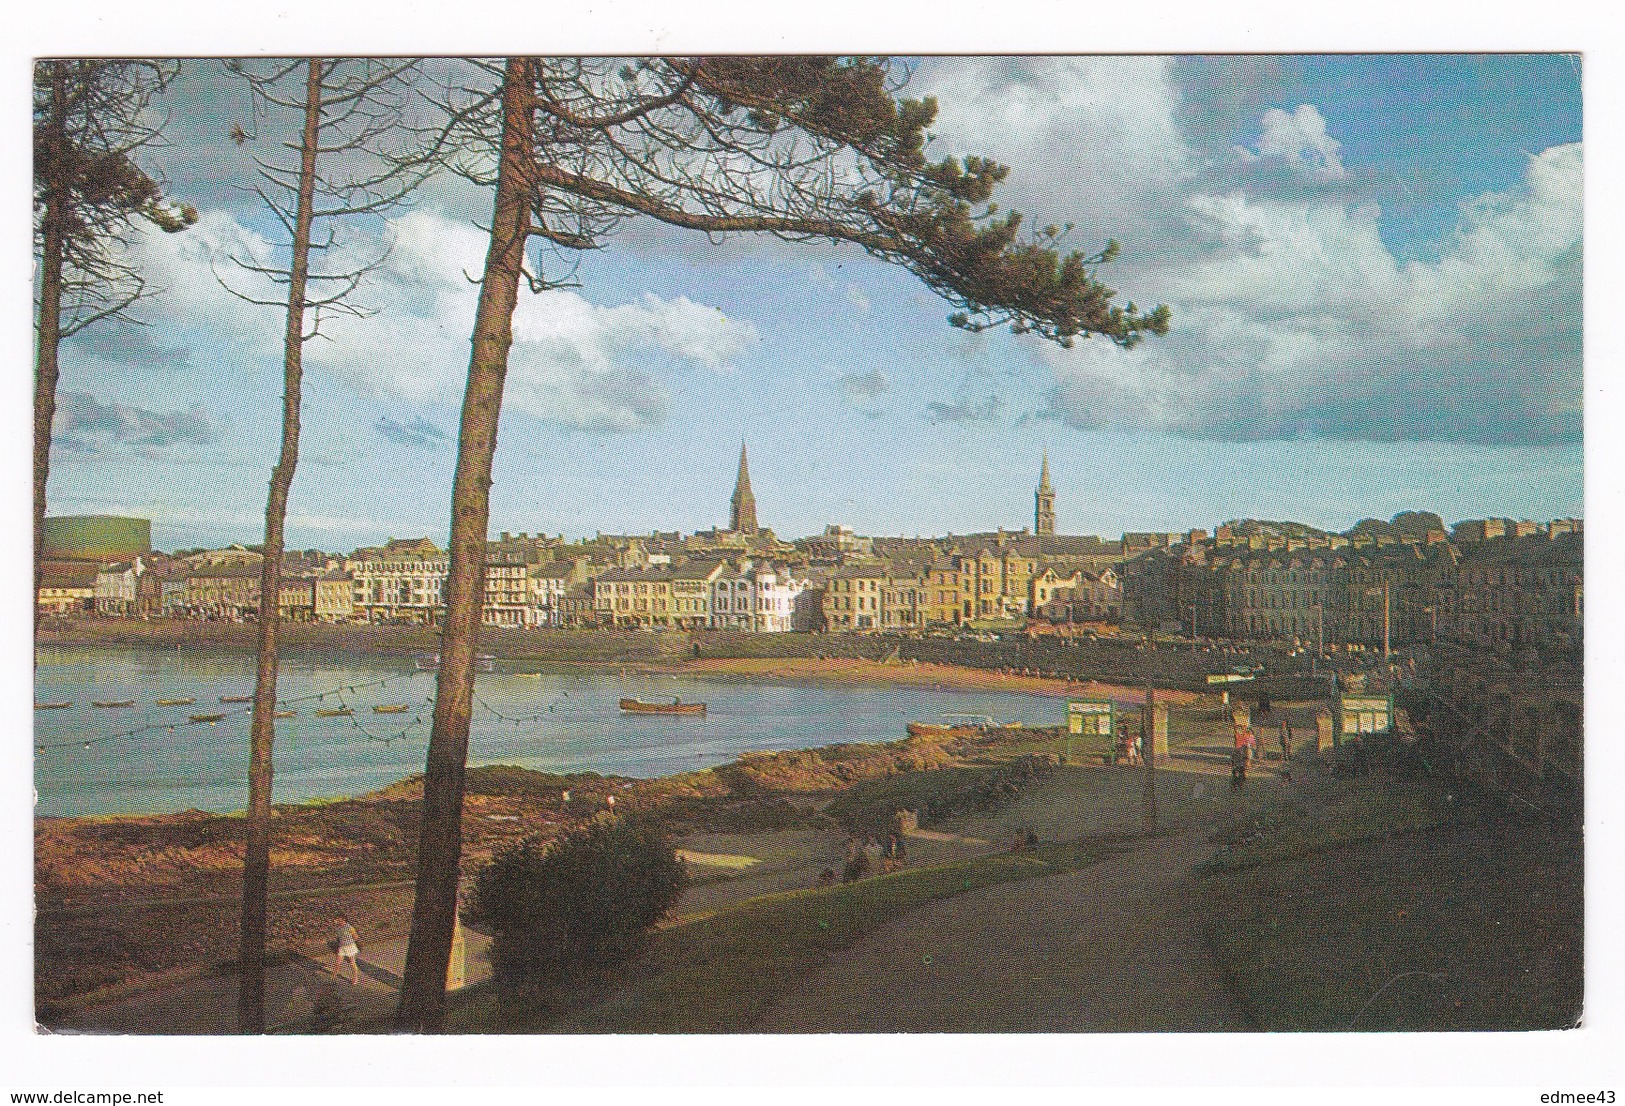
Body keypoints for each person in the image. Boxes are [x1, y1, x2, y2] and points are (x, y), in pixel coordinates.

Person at [334, 914, 360, 985]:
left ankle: (355, 978)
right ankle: (334, 976)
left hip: (350, 947)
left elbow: (356, 937)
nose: (336, 920)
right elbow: (338, 937)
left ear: (343, 920)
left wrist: (349, 942)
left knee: (352, 963)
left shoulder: (349, 927)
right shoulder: (338, 928)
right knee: (337, 962)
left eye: (338, 919)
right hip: (342, 947)